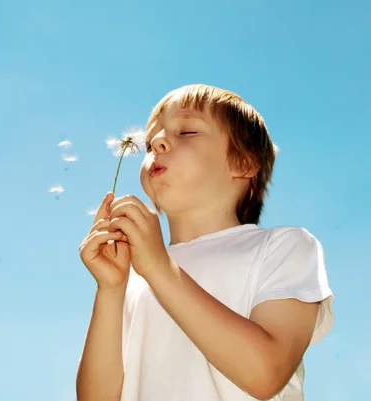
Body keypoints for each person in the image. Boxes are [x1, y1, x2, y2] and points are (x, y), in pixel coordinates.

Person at [76, 84, 333, 401]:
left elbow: (266, 374)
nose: (157, 142)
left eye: (186, 132)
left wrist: (159, 269)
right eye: (150, 142)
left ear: (243, 162)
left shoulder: (284, 248)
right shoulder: (136, 279)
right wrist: (111, 290)